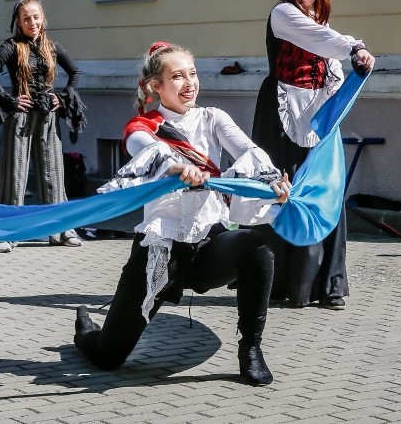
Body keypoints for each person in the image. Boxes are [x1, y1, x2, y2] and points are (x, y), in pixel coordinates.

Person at [74, 42, 290, 386]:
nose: (189, 83)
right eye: (177, 76)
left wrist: (272, 180)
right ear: (155, 86)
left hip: (209, 242)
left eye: (192, 74)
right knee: (107, 358)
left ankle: (250, 348)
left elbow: (248, 151)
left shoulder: (213, 118)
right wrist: (175, 167)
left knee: (255, 247)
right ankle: (85, 327)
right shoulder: (143, 126)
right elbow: (143, 149)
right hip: (161, 247)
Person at [250, 0, 375, 310]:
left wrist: (355, 67)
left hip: (318, 115)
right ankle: (281, 283)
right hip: (282, 111)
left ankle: (330, 285)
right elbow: (321, 40)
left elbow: (330, 63)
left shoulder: (320, 18)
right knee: (284, 191)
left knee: (327, 190)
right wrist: (355, 46)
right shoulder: (283, 13)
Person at [0, 0, 87, 253]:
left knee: (53, 173)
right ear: (18, 22)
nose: (32, 22)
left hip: (47, 114)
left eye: (36, 17)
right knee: (15, 173)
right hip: (20, 116)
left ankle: (60, 230)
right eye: (26, 18)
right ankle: (4, 233)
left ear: (43, 19)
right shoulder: (11, 46)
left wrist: (63, 97)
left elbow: (75, 72)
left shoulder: (52, 46)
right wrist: (9, 100)